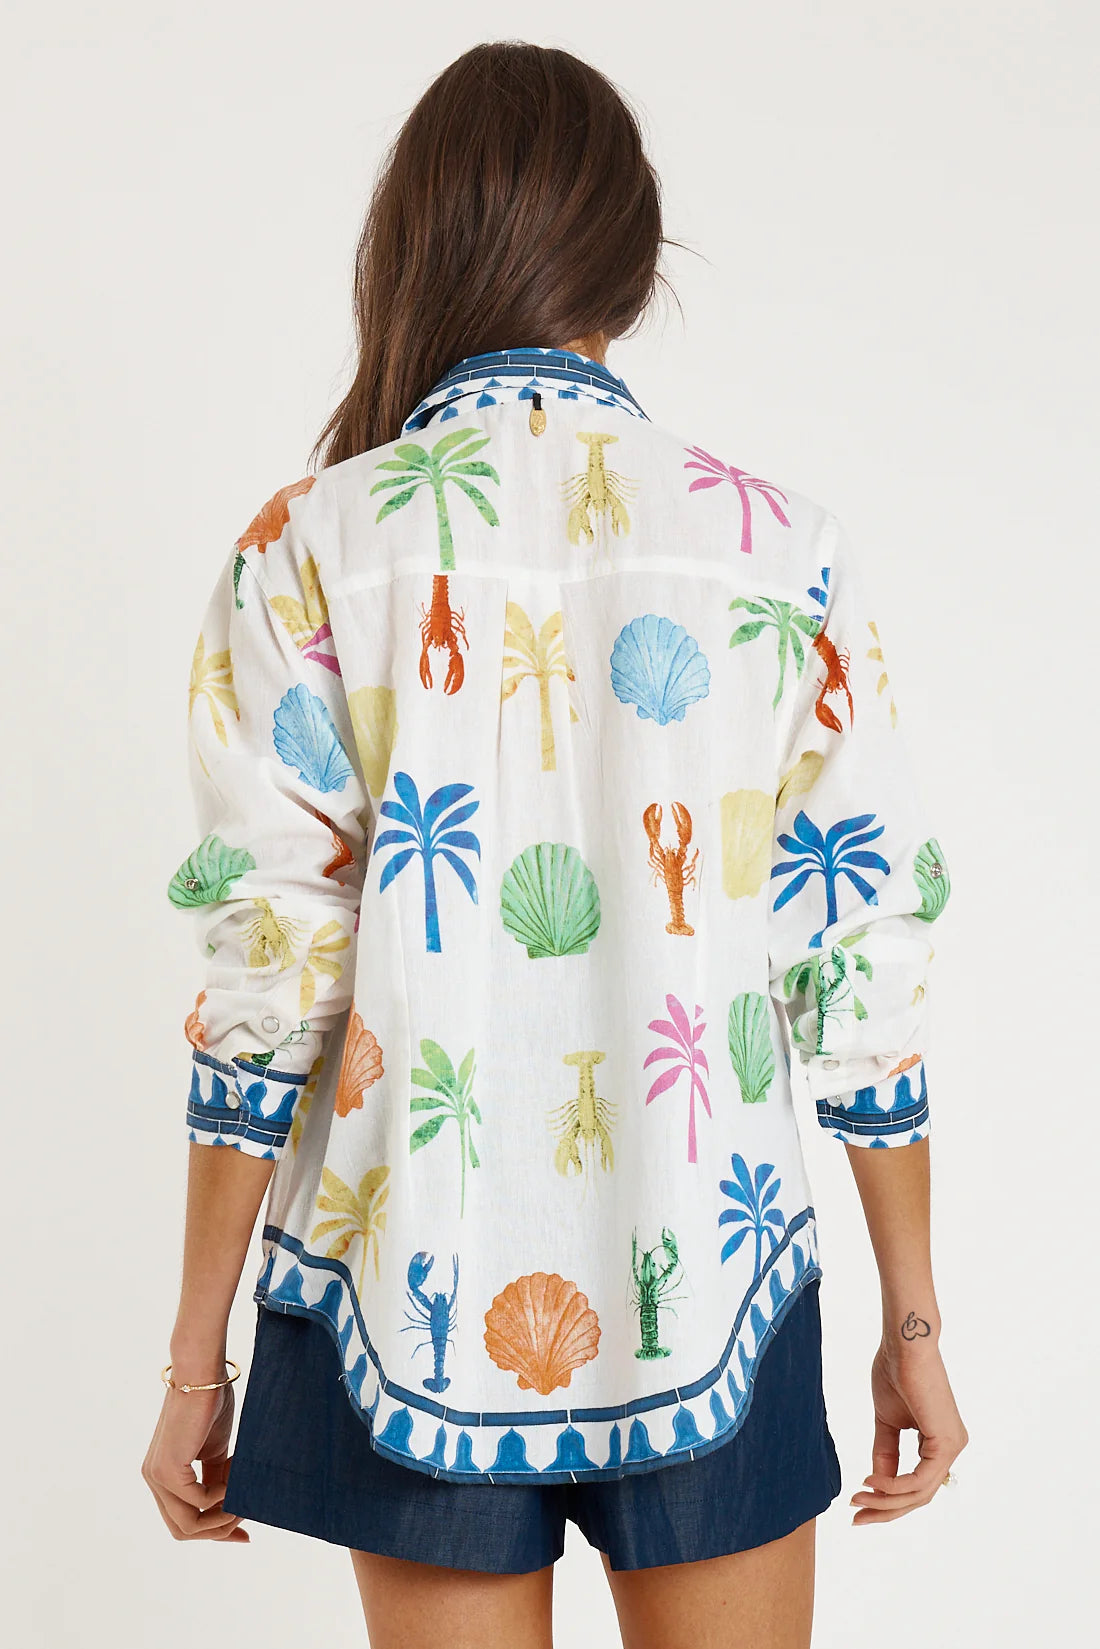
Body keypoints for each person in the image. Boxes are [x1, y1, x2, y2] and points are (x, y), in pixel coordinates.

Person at [142, 40, 967, 1649]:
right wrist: (915, 1321)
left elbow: (270, 976)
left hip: (403, 1291)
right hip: (717, 1271)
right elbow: (862, 957)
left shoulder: (308, 545)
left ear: (416, 243)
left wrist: (195, 1357)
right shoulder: (778, 550)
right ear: (635, 263)